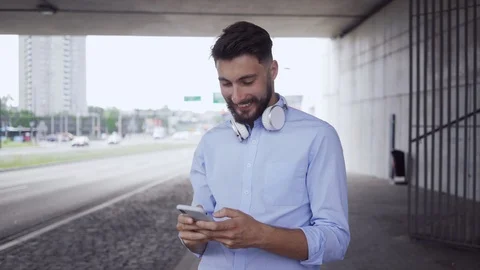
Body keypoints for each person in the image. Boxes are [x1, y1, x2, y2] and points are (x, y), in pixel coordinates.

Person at [176, 21, 350, 270]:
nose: (236, 97)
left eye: (247, 81)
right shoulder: (211, 142)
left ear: (273, 70)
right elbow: (203, 242)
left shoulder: (319, 137)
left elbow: (336, 241)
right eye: (226, 83)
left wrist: (261, 235)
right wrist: (193, 238)